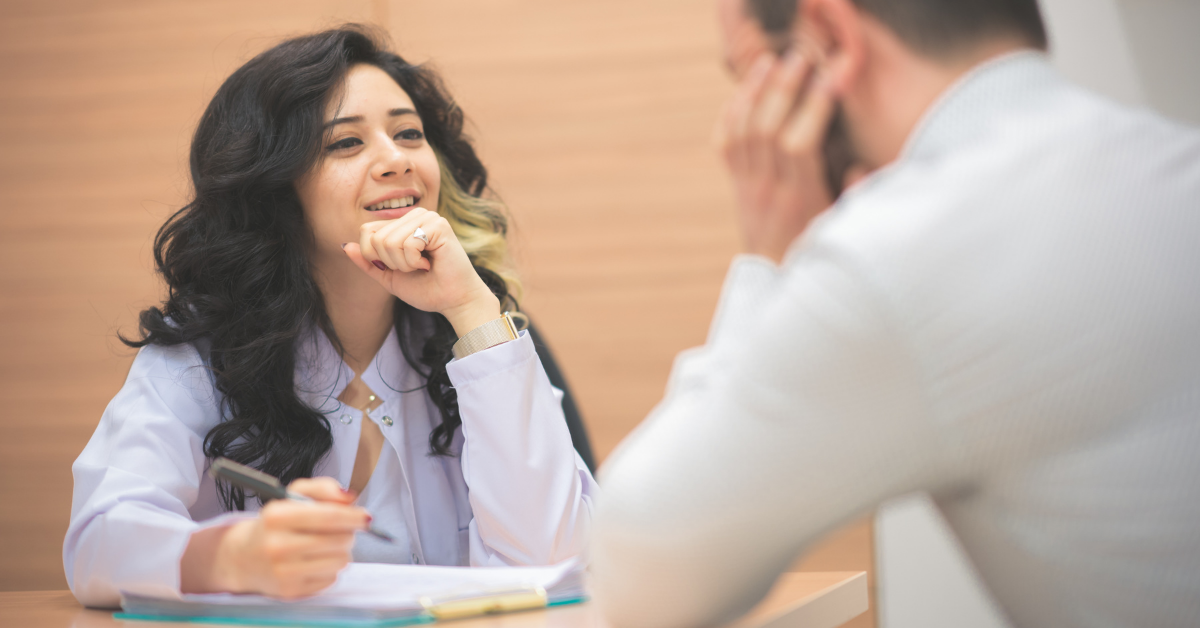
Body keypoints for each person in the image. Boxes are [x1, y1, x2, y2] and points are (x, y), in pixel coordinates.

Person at [591, 0, 1200, 626]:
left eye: (752, 73)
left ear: (829, 37)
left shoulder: (907, 247)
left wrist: (770, 258)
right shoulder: (1171, 158)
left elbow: (637, 574)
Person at [64, 26, 595, 607]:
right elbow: (96, 548)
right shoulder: (199, 358)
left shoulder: (482, 341)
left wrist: (471, 309)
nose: (396, 159)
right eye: (346, 143)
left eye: (409, 133)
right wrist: (233, 556)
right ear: (276, 188)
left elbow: (554, 562)